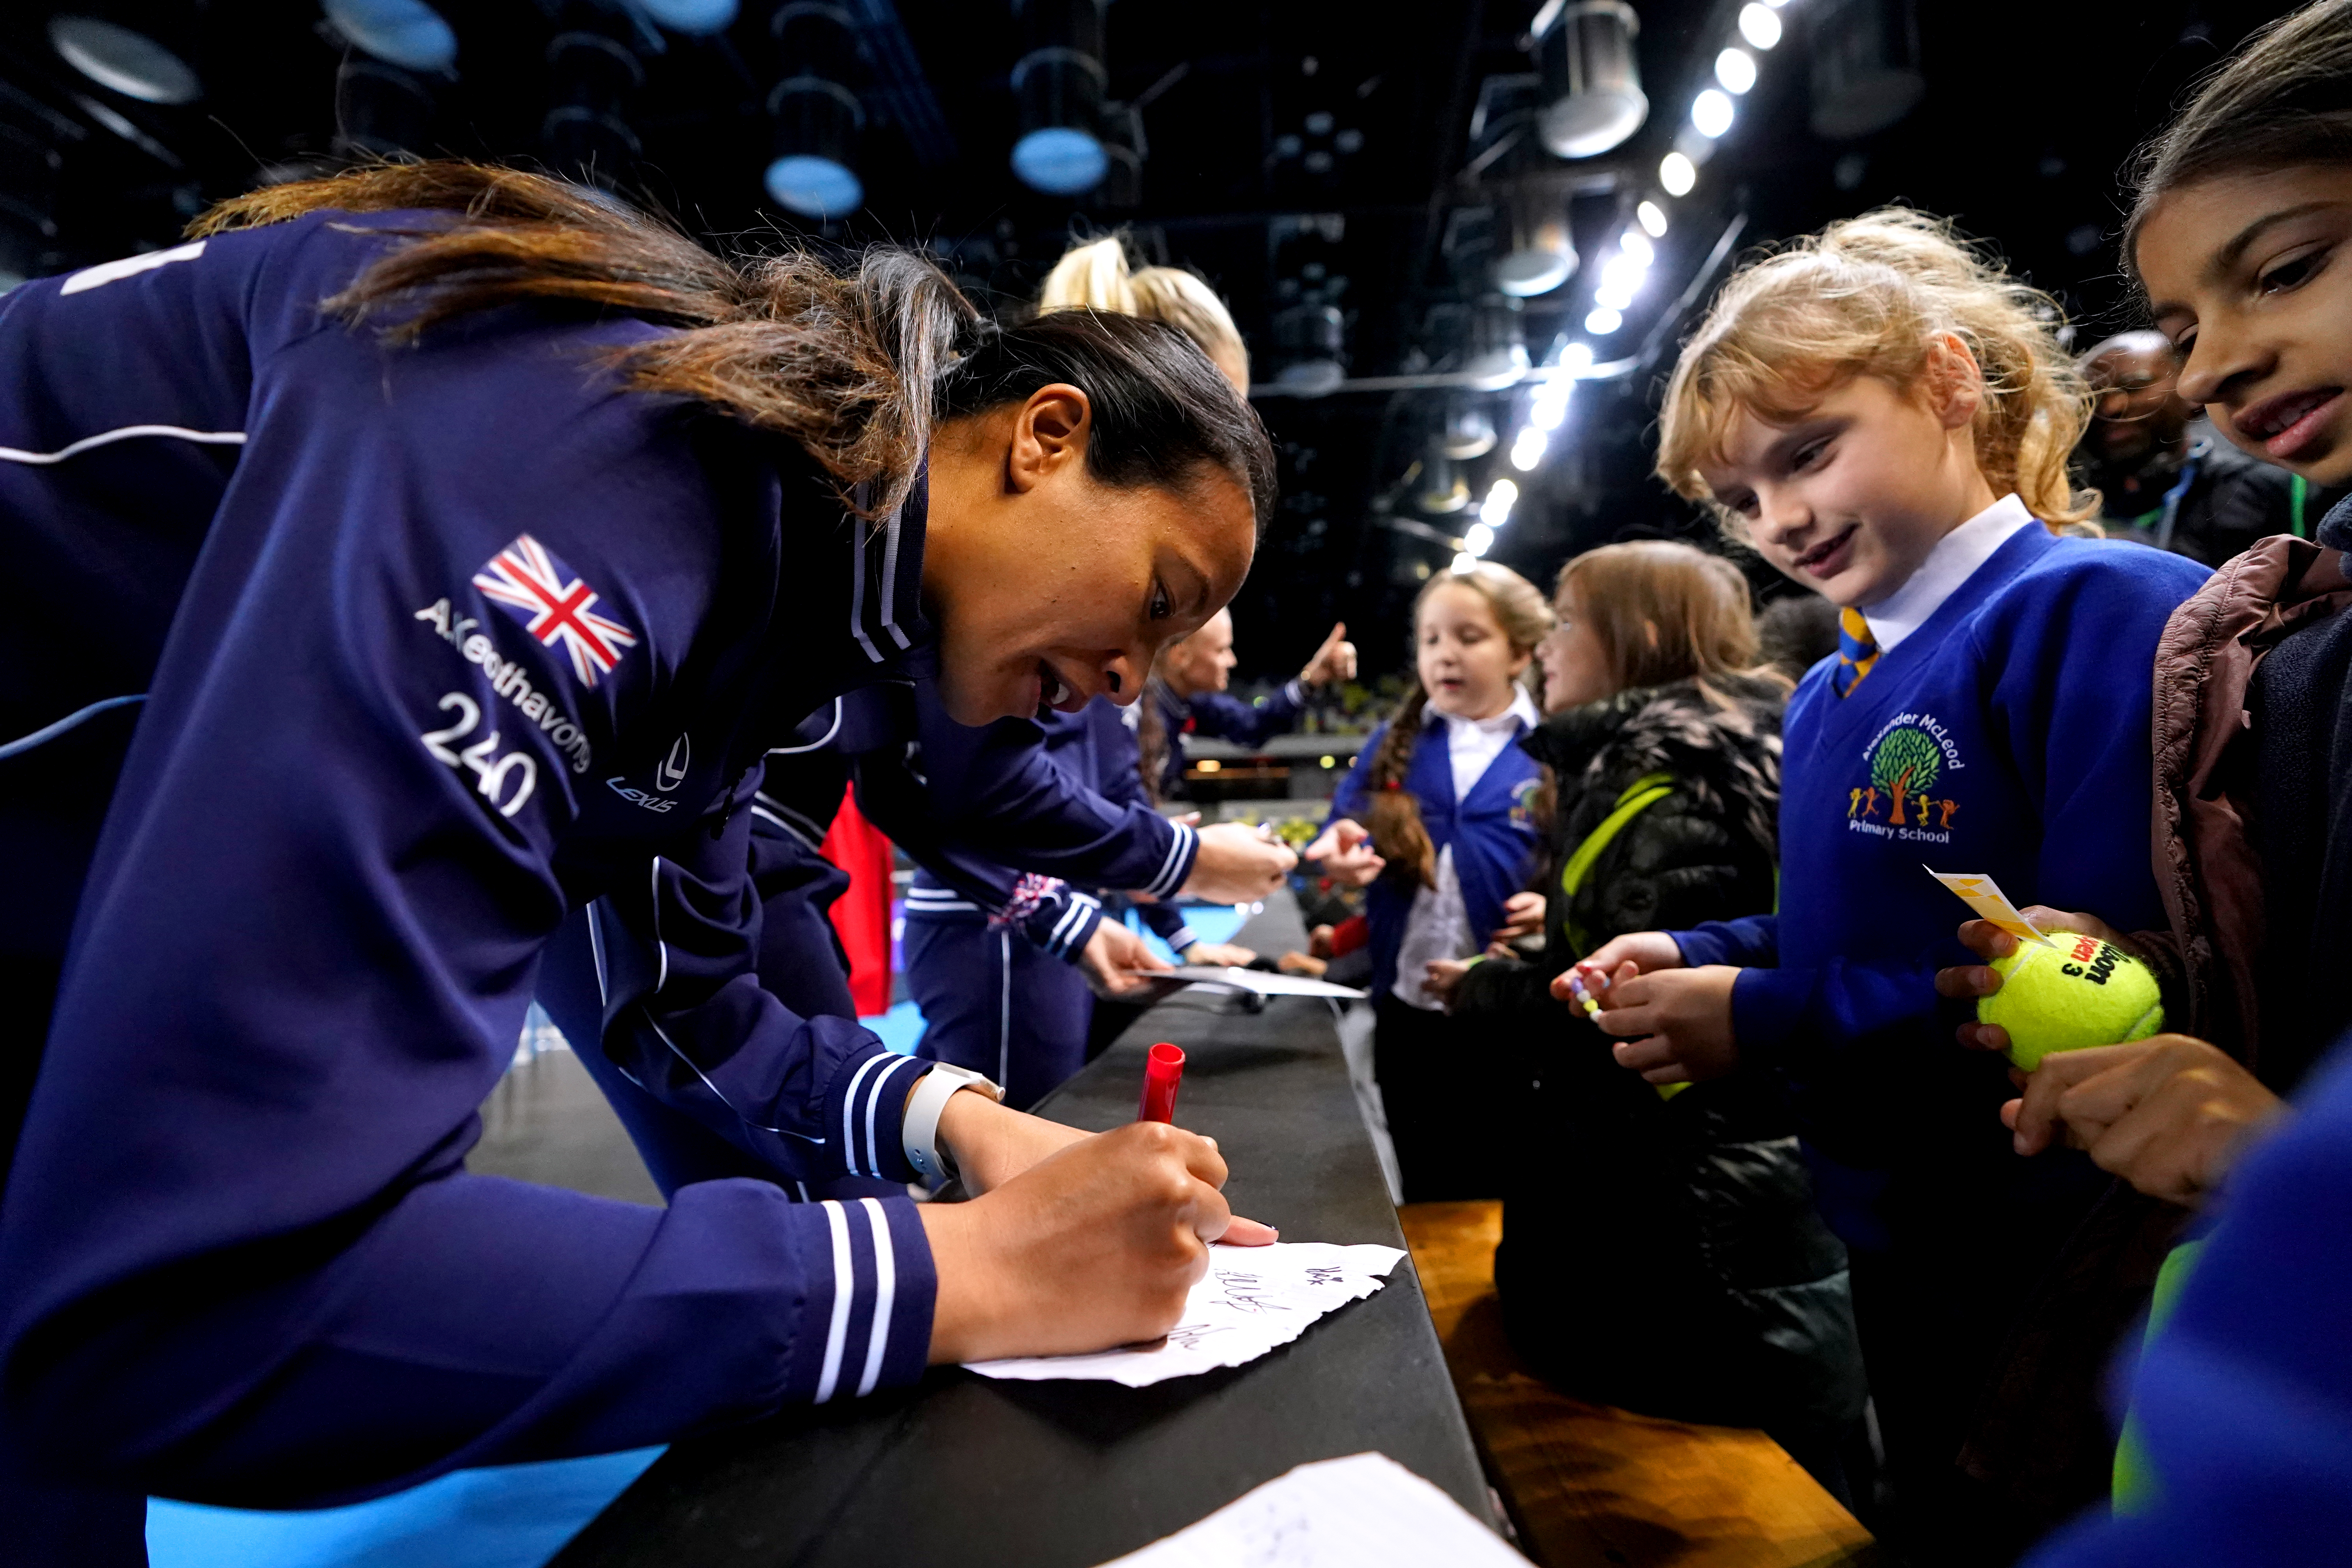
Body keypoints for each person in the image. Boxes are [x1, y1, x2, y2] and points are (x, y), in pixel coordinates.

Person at [0, 162, 1280, 1559]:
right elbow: (212, 1295)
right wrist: (953, 1267)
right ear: (1044, 435)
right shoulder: (590, 444)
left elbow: (688, 1009)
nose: (1126, 680)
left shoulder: (757, 562)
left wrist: (968, 1125)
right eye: (1156, 600)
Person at [1568, 210, 2212, 1562]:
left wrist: (1763, 1014)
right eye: (1740, 501)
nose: (1782, 518)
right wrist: (1696, 944)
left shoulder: (2098, 607)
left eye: (1808, 455)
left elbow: (2083, 994)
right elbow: (1868, 919)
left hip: (2061, 1250)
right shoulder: (1825, 689)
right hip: (1881, 1217)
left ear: (1946, 382)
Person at [1426, 541, 1864, 1498]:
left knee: (1737, 1492)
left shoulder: (1661, 780)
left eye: (1568, 621)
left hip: (1693, 1236)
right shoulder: (1704, 751)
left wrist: (1482, 987)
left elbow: (1622, 1021)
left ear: (1646, 635)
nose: (1548, 644)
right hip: (1702, 1210)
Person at [897, 237, 1280, 1106]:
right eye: (1215, 423)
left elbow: (910, 780)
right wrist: (1180, 861)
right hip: (998, 922)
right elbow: (977, 784)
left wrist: (1157, 913)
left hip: (1038, 913)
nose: (1126, 680)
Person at [1303, 561, 1552, 1201]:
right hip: (1406, 1014)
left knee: (1510, 1183)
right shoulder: (1401, 740)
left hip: (1509, 1018)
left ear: (1520, 651)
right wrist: (1337, 851)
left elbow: (1584, 867)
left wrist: (1553, 905)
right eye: (1431, 639)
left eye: (1468, 638)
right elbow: (1340, 827)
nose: (1445, 654)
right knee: (1423, 1177)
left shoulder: (1554, 747)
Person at [2075, 329, 2325, 563]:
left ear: (2189, 386)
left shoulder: (2273, 483)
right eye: (2093, 397)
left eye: (2135, 385)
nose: (2110, 408)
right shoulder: (2068, 514)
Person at [1145, 609, 1356, 799]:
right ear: (1180, 656)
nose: (1232, 661)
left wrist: (1312, 679)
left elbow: (1253, 726)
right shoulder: (1136, 711)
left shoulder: (1188, 701)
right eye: (1221, 650)